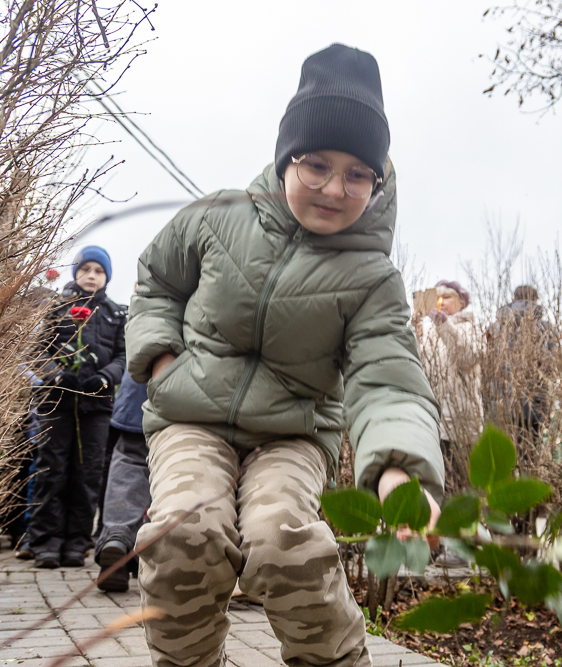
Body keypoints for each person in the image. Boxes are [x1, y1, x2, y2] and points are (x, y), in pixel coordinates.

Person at [126, 44, 444, 667]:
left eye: (358, 174)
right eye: (317, 164)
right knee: (186, 534)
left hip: (292, 434)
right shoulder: (216, 217)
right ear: (285, 159)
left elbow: (388, 378)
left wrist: (398, 470)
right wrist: (162, 360)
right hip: (191, 418)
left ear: (377, 182)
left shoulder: (371, 278)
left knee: (282, 543)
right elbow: (156, 282)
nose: (334, 188)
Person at [28, 246, 127, 569]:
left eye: (99, 271)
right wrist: (56, 374)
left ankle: (77, 541)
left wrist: (104, 378)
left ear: (106, 277)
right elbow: (37, 352)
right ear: (75, 273)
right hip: (57, 401)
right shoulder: (57, 309)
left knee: (88, 473)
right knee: (51, 470)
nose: (91, 276)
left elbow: (123, 357)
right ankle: (46, 542)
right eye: (86, 269)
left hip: (96, 406)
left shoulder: (114, 314)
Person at [414, 280, 483, 494]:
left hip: (461, 425)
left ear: (462, 302)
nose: (441, 302)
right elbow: (419, 369)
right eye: (437, 297)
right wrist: (415, 333)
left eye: (448, 297)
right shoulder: (430, 333)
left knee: (463, 486)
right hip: (434, 423)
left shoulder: (471, 326)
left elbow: (467, 357)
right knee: (437, 485)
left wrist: (443, 324)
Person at [93, 367, 149, 592]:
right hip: (186, 399)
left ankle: (117, 537)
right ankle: (157, 556)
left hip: (137, 392)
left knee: (130, 461)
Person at [484, 285, 556, 454]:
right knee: (529, 461)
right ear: (536, 301)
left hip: (501, 404)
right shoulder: (544, 328)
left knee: (503, 462)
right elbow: (549, 366)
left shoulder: (494, 328)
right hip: (533, 405)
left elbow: (487, 366)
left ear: (513, 300)